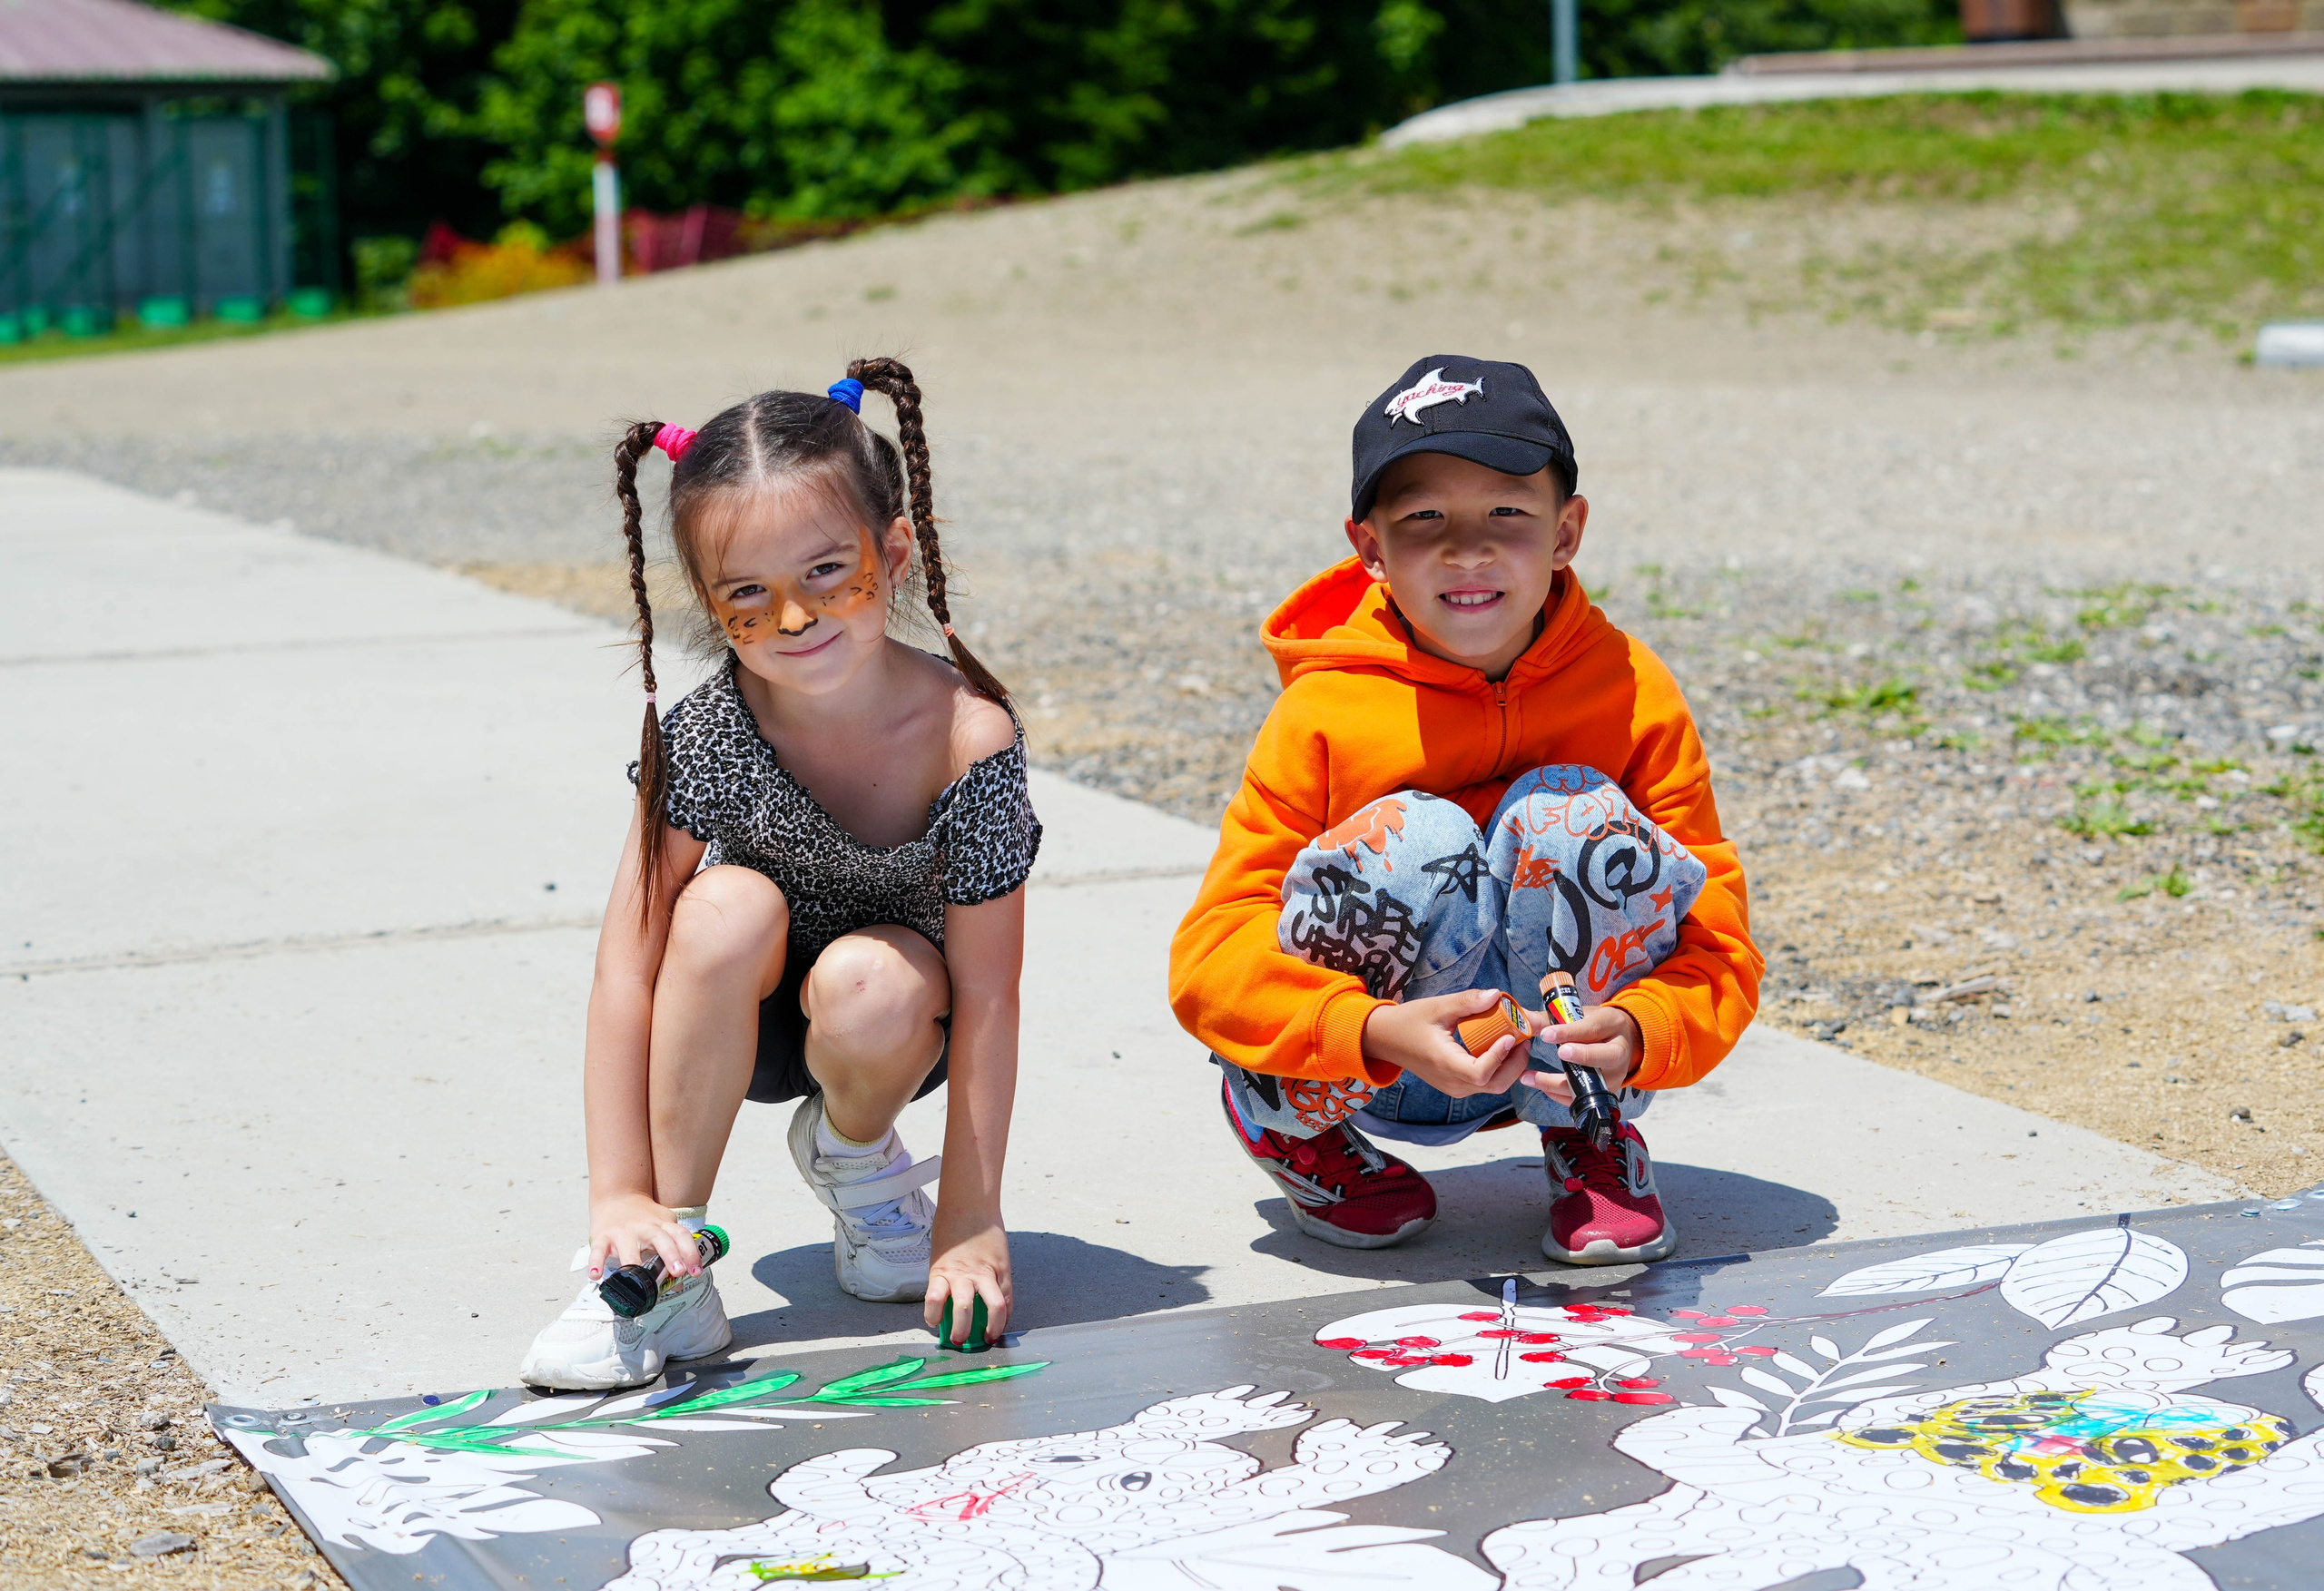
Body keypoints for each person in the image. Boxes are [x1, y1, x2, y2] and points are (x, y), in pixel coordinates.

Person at [1168, 355, 1760, 1266]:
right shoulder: (1321, 713)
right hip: (1375, 1063)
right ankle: (1295, 1127)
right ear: (1369, 548)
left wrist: (1643, 1027)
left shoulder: (1632, 690)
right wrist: (1362, 1029)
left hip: (1563, 1054)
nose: (1467, 547)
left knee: (1569, 814)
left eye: (1507, 514)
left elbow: (1715, 923)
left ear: (1567, 531)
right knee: (1420, 837)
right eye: (1423, 518)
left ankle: (1589, 1133)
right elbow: (1212, 951)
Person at [520, 359, 1040, 1390]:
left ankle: (855, 1155)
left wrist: (971, 1221)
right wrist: (618, 1196)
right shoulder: (709, 733)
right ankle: (669, 1260)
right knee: (721, 905)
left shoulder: (966, 739)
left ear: (892, 552)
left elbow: (988, 991)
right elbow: (627, 967)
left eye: (823, 574)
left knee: (873, 976)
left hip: (887, 1028)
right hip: (726, 1026)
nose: (795, 620)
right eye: (749, 596)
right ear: (711, 608)